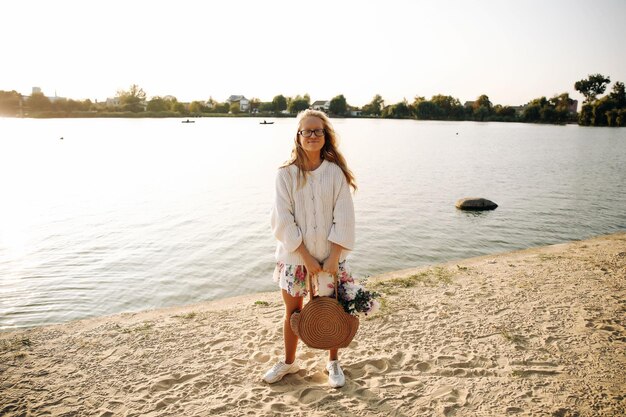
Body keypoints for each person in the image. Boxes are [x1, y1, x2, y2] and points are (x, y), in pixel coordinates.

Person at [263, 109, 357, 388]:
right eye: (307, 131)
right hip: (294, 258)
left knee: (332, 310)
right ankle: (290, 362)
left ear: (325, 136)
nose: (313, 135)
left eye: (318, 131)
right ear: (298, 136)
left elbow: (345, 216)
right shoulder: (285, 174)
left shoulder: (335, 174)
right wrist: (304, 256)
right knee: (293, 314)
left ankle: (333, 362)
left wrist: (334, 257)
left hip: (331, 258)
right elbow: (282, 218)